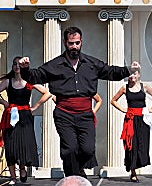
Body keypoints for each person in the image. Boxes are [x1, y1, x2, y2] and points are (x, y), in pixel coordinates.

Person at [18, 26, 137, 177]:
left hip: (85, 114)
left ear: (81, 42)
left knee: (87, 150)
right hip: (64, 114)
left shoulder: (91, 63)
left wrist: (129, 70)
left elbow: (111, 71)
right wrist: (25, 69)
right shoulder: (55, 65)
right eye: (71, 43)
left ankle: (78, 168)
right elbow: (35, 76)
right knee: (69, 149)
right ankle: (73, 177)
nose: (74, 46)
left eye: (77, 43)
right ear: (64, 43)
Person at [0, 56, 52, 185]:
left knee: (23, 144)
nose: (17, 66)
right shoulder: (8, 82)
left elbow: (47, 93)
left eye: (19, 64)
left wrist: (36, 106)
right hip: (10, 115)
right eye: (14, 64)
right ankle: (13, 177)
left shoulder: (29, 81)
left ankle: (22, 167)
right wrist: (3, 102)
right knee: (10, 146)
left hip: (25, 116)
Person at [110, 63, 152, 182]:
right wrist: (123, 109)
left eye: (135, 73)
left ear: (139, 75)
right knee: (131, 146)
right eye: (131, 73)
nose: (132, 75)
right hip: (130, 120)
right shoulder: (124, 88)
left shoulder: (144, 87)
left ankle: (138, 165)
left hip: (142, 119)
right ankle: (133, 172)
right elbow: (113, 100)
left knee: (142, 145)